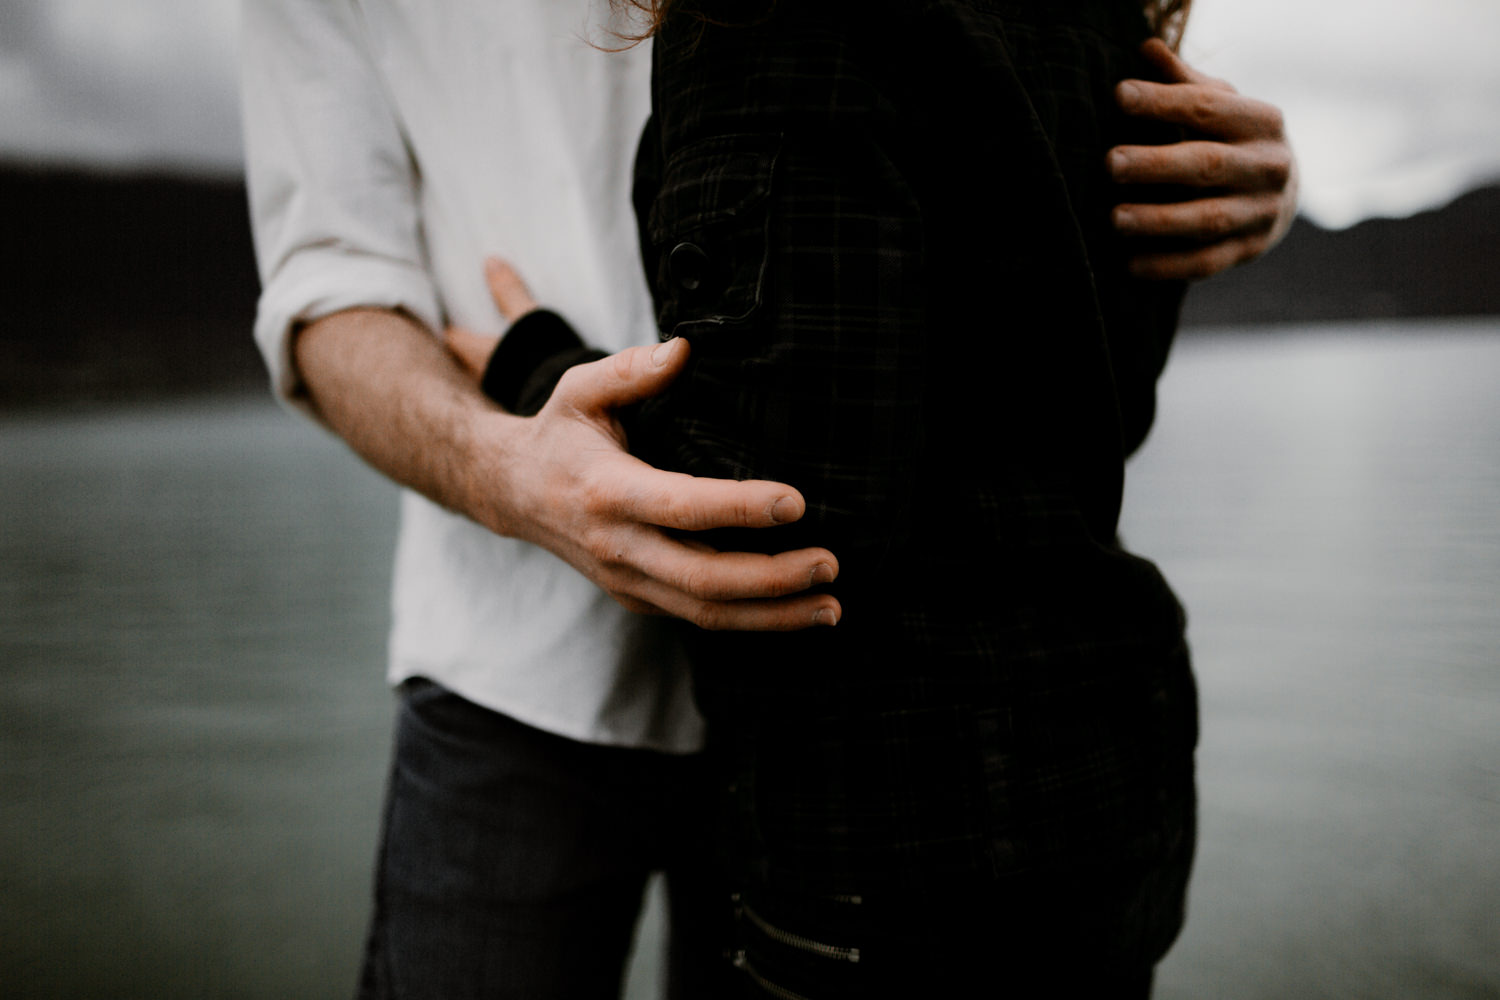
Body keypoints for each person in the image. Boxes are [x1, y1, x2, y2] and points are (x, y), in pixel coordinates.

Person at [240, 0, 1295, 997]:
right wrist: (503, 464)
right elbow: (327, 279)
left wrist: (1262, 177)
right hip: (526, 668)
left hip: (846, 720)